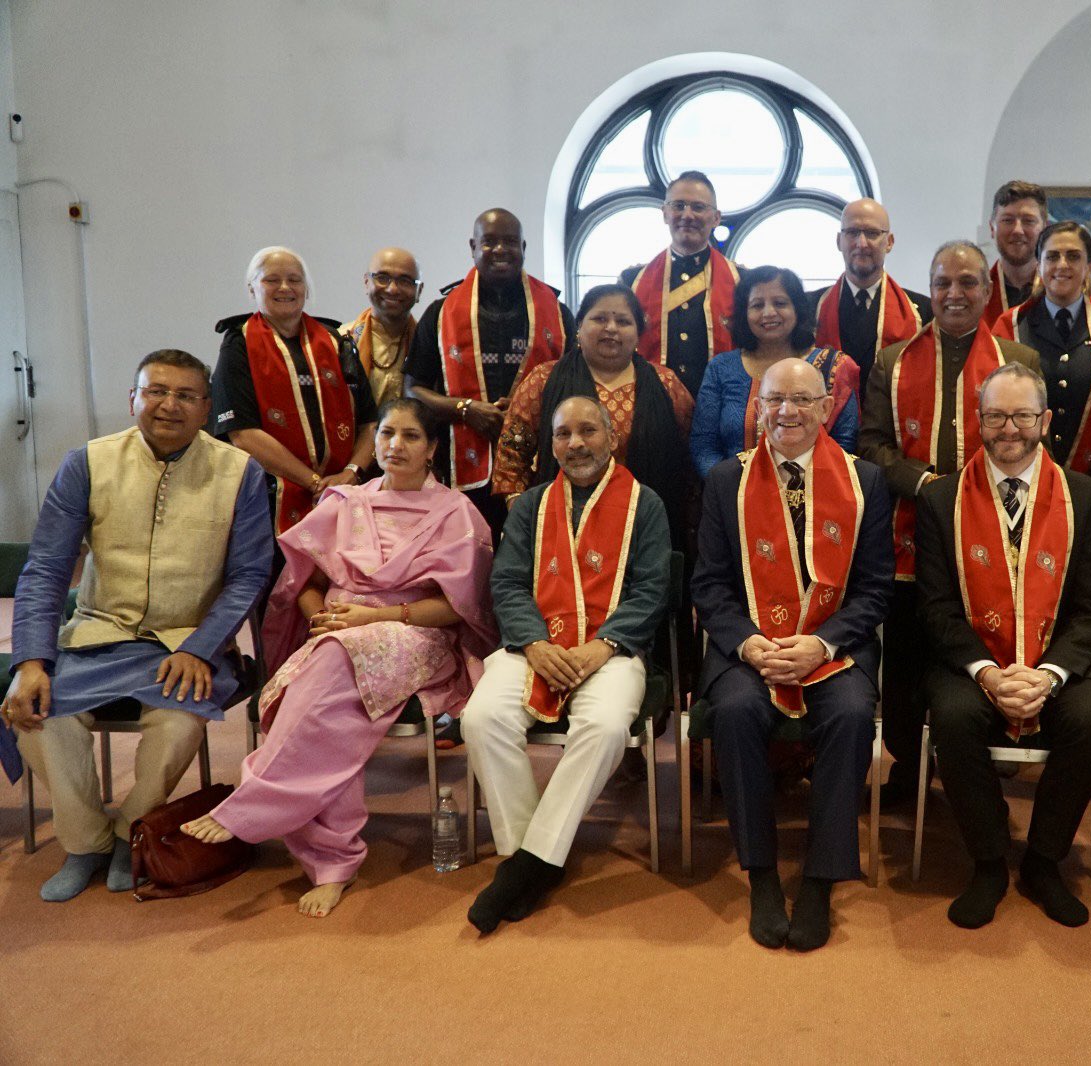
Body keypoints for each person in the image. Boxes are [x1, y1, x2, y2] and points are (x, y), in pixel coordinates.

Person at [179, 398, 496, 916]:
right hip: (335, 634)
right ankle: (330, 859)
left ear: (434, 448)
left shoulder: (457, 514)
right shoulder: (344, 502)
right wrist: (321, 617)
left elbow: (457, 608)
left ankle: (265, 804)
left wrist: (370, 620)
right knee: (319, 714)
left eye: (411, 436)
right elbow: (307, 585)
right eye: (388, 433)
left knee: (322, 682)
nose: (395, 445)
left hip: (413, 635)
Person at [3, 350, 272, 901]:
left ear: (206, 408)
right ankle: (86, 843)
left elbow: (248, 577)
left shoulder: (240, 472)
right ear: (133, 400)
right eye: (155, 391)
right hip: (99, 632)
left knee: (178, 726)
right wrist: (31, 660)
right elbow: (48, 567)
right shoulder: (88, 463)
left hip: (186, 640)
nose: (168, 405)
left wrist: (201, 649)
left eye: (186, 395)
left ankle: (133, 834)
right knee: (35, 715)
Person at [692, 358, 893, 951]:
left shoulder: (866, 482)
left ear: (827, 407)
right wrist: (750, 644)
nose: (788, 412)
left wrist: (821, 643)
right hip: (751, 647)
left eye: (802, 400)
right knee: (733, 711)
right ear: (757, 408)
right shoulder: (726, 480)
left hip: (834, 645)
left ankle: (819, 879)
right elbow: (709, 585)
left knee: (853, 713)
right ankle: (760, 876)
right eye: (775, 399)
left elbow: (876, 588)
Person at [916, 363, 1091, 929]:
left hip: (1058, 660)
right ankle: (987, 860)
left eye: (1023, 415)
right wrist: (987, 673)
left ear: (1045, 420)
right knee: (952, 716)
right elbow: (934, 608)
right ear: (976, 421)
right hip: (973, 660)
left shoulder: (1086, 496)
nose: (1010, 428)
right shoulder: (941, 500)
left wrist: (1047, 675)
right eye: (997, 415)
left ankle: (1044, 861)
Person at [462, 396, 671, 935]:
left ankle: (528, 867)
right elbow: (506, 583)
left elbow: (652, 589)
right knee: (481, 719)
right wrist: (534, 643)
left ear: (611, 437)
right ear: (550, 444)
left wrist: (604, 645)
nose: (575, 443)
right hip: (536, 647)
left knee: (602, 728)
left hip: (612, 651)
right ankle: (531, 852)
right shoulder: (530, 505)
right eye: (562, 434)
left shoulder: (644, 504)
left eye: (587, 431)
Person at [858, 241, 1040, 806]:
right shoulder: (892, 360)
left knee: (983, 646)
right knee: (909, 662)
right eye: (943, 283)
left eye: (967, 283)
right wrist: (929, 486)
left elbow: (1034, 444)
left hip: (996, 535)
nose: (955, 294)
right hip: (911, 535)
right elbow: (871, 444)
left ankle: (975, 756)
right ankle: (910, 769)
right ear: (929, 290)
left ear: (987, 291)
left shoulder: (1018, 360)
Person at [405, 208, 575, 542]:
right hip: (461, 468)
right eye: (490, 242)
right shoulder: (440, 313)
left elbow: (575, 387)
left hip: (537, 465)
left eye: (510, 242)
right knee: (468, 563)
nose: (500, 250)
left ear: (524, 247)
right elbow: (413, 390)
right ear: (473, 246)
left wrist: (529, 407)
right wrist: (465, 408)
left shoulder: (558, 312)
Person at [493, 284, 694, 543]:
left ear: (638, 332)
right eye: (600, 318)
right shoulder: (545, 379)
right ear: (579, 326)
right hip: (561, 529)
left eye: (623, 321)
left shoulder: (666, 384)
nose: (611, 328)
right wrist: (525, 518)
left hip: (646, 530)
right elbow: (511, 456)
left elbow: (688, 459)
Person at [213, 246, 378, 534]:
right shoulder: (238, 343)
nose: (285, 287)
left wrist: (350, 474)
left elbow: (370, 423)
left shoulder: (337, 340)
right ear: (252, 289)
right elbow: (242, 433)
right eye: (271, 280)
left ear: (307, 288)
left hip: (345, 494)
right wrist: (315, 482)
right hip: (266, 498)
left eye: (295, 279)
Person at [993, 220, 1091, 503]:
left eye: (1073, 256)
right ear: (1038, 265)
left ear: (1088, 266)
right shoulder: (1010, 326)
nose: (1062, 264)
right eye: (1052, 256)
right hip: (1022, 486)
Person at [691, 265, 859, 477]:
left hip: (815, 496)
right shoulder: (721, 368)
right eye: (757, 305)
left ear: (797, 309)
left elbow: (845, 441)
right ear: (744, 313)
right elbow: (704, 444)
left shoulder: (832, 366)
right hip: (735, 497)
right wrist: (730, 488)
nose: (768, 313)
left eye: (780, 303)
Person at [621, 171, 740, 397]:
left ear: (716, 218)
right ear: (665, 213)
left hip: (720, 403)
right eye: (678, 206)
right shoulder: (632, 280)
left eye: (698, 207)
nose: (687, 215)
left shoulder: (740, 280)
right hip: (651, 402)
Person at [809, 198, 930, 385]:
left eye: (872, 233)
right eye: (852, 232)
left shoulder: (923, 312)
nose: (862, 243)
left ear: (889, 242)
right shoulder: (810, 308)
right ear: (839, 241)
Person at [342, 248, 423, 413]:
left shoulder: (429, 344)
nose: (392, 289)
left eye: (405, 281)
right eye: (382, 278)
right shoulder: (342, 341)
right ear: (366, 283)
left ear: (419, 291)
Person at [982, 180, 1047, 326]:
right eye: (1007, 220)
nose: (1017, 230)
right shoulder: (975, 296)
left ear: (1044, 229)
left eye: (1028, 221)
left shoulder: (1061, 294)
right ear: (992, 228)